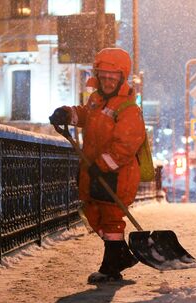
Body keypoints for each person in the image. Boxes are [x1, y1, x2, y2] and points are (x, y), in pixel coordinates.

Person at [49, 48, 145, 284]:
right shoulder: (96, 100)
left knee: (111, 218)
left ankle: (111, 267)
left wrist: (102, 165)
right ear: (98, 76)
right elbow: (86, 115)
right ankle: (120, 253)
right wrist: (68, 113)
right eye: (104, 76)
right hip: (96, 171)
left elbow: (126, 145)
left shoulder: (128, 109)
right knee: (94, 212)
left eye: (113, 77)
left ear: (122, 78)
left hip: (118, 174)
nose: (108, 81)